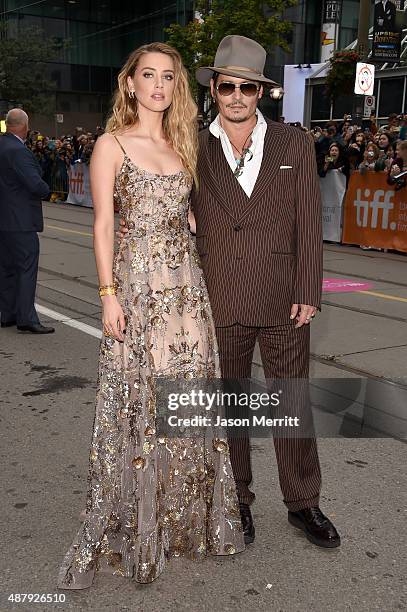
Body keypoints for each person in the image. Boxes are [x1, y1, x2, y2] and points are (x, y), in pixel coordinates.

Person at [120, 35, 341, 549]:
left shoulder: (294, 144)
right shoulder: (190, 143)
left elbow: (309, 223)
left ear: (260, 92)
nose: (237, 96)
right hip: (218, 297)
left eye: (247, 86)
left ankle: (303, 502)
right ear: (213, 90)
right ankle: (237, 499)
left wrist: (309, 287)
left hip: (283, 296)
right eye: (227, 86)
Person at [57, 42, 244, 591]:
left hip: (186, 291)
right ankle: (141, 521)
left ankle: (183, 522)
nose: (158, 85)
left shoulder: (184, 145)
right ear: (131, 83)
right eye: (149, 75)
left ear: (175, 86)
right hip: (137, 290)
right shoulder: (111, 145)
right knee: (142, 401)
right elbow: (103, 227)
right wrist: (108, 293)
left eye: (168, 76)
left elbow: (191, 218)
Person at [0, 109, 54, 334]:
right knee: (26, 267)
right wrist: (46, 189)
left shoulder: (2, 146)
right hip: (19, 220)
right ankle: (26, 317)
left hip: (3, 219)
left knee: (7, 268)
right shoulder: (18, 151)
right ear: (24, 126)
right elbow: (35, 183)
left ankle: (8, 313)